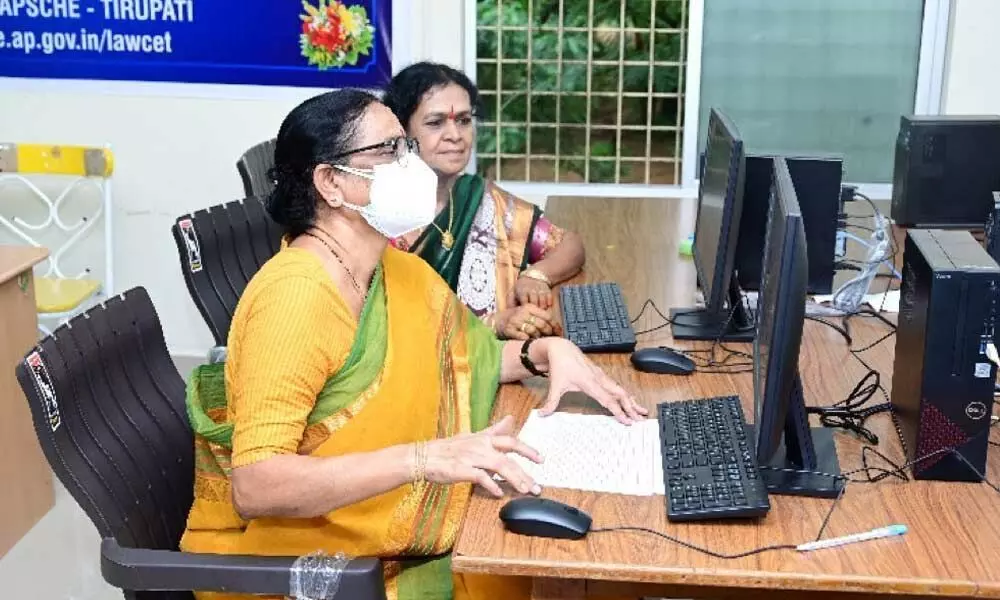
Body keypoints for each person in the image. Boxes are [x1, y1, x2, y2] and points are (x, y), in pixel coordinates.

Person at [180, 89, 647, 600]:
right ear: (331, 182)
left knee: (569, 557)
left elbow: (472, 361)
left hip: (399, 532)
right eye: (391, 152)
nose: (414, 164)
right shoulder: (295, 298)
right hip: (321, 569)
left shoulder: (397, 270)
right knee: (562, 566)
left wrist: (545, 353)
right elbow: (257, 485)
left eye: (408, 147)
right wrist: (424, 460)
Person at [382, 62, 586, 341]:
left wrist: (537, 276)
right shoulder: (376, 218)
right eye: (435, 122)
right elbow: (385, 325)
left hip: (500, 367)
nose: (455, 135)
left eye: (464, 120)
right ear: (400, 133)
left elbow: (568, 244)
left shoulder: (488, 203)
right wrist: (493, 323)